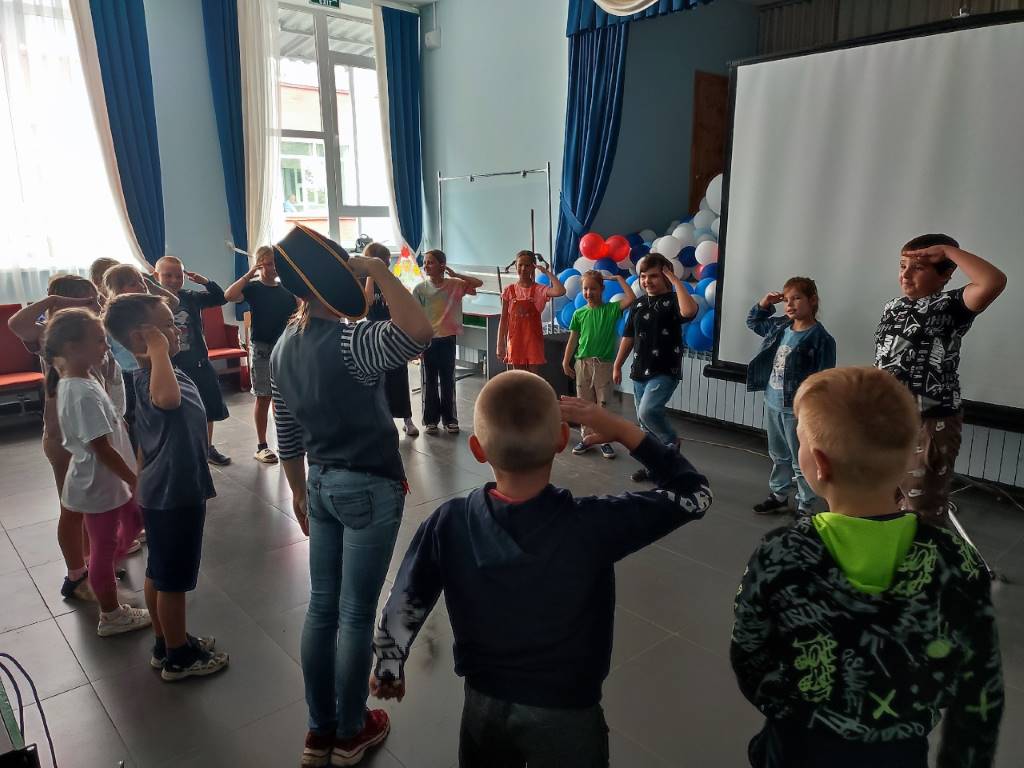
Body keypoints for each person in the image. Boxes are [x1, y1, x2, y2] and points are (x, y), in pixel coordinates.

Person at [370, 371, 712, 768]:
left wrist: (389, 664)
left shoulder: (449, 522)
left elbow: (407, 595)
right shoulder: (596, 524)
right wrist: (621, 429)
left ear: (478, 449)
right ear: (563, 440)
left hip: (484, 706)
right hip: (568, 713)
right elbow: (695, 493)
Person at [731, 366, 1003, 768]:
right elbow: (973, 668)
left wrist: (788, 707)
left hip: (797, 743)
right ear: (908, 456)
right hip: (901, 749)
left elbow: (749, 652)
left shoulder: (780, 553)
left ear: (819, 464)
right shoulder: (955, 558)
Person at [268, 225, 432, 767]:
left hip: (319, 482)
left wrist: (298, 493)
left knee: (322, 609)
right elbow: (419, 332)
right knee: (356, 613)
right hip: (368, 484)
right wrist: (380, 270)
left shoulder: (283, 347)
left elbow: (287, 432)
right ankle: (352, 728)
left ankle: (319, 731)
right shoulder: (351, 341)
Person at [104, 293, 228, 681]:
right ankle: (179, 657)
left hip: (161, 490)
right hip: (175, 494)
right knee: (173, 579)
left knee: (159, 570)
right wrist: (157, 349)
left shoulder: (160, 373)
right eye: (168, 326)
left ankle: (165, 641)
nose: (177, 330)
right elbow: (169, 400)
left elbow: (146, 438)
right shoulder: (153, 379)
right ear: (142, 338)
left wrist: (140, 485)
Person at [7, 275, 127, 601]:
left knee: (92, 506)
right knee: (72, 509)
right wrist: (55, 302)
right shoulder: (53, 334)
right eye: (88, 299)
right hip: (64, 437)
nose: (95, 304)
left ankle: (93, 562)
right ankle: (76, 573)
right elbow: (16, 323)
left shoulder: (90, 334)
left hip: (90, 430)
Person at [875, 235, 1007, 527]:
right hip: (888, 419)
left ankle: (924, 554)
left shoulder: (950, 305)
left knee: (921, 508)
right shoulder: (893, 306)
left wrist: (947, 251)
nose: (905, 274)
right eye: (902, 266)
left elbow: (993, 282)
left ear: (945, 275)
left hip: (930, 421)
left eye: (918, 268)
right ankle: (890, 550)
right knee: (884, 500)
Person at [43, 308, 150, 636]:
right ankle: (111, 614)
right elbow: (101, 448)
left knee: (133, 521)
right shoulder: (81, 390)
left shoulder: (79, 380)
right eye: (99, 341)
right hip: (100, 483)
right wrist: (134, 479)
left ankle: (108, 568)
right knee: (103, 551)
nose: (106, 346)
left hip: (105, 481)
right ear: (73, 347)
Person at [746, 277, 836, 518]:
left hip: (797, 408)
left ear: (813, 300)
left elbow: (824, 379)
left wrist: (815, 410)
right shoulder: (780, 326)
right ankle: (779, 494)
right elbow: (753, 322)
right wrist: (765, 303)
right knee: (778, 454)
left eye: (796, 298)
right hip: (773, 401)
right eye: (786, 300)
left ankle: (806, 505)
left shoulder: (820, 338)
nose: (789, 304)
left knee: (801, 458)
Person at [611, 253, 698, 482]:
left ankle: (671, 442)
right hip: (640, 370)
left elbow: (689, 311)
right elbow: (628, 336)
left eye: (653, 276)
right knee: (644, 427)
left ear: (666, 277)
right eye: (643, 276)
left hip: (664, 370)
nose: (647, 281)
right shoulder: (638, 304)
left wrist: (675, 280)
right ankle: (654, 468)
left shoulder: (674, 300)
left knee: (647, 412)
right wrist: (617, 364)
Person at [154, 255, 232, 466]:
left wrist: (205, 282)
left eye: (178, 276)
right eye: (168, 275)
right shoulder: (152, 302)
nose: (174, 280)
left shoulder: (190, 297)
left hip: (199, 363)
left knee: (208, 408)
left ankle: (207, 447)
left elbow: (221, 298)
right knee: (176, 412)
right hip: (172, 368)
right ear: (156, 275)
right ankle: (181, 451)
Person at [224, 246, 297, 463]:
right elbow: (229, 295)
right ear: (260, 264)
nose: (274, 267)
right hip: (262, 349)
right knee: (264, 397)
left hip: (284, 348)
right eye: (269, 263)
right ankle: (262, 446)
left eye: (277, 263)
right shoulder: (254, 288)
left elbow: (302, 308)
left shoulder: (287, 289)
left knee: (283, 398)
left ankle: (285, 440)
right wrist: (249, 274)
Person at [103, 264, 180, 451]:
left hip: (155, 366)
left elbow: (173, 301)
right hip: (131, 374)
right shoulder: (115, 319)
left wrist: (151, 285)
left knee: (162, 415)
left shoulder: (148, 309)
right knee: (138, 416)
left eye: (141, 281)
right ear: (118, 289)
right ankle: (142, 450)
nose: (141, 285)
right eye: (133, 283)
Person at [561, 270, 634, 459]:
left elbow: (631, 298)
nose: (589, 292)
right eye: (585, 289)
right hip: (582, 363)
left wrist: (619, 279)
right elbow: (573, 339)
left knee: (603, 403)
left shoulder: (611, 310)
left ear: (602, 289)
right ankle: (587, 438)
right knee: (584, 403)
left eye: (593, 288)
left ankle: (604, 439)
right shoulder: (579, 313)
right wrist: (566, 361)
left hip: (604, 365)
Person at [412, 249, 483, 435]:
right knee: (429, 381)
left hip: (448, 339)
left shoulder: (455, 284)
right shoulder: (420, 289)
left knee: (447, 380)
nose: (426, 266)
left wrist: (456, 274)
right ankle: (430, 420)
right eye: (425, 262)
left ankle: (450, 419)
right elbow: (415, 317)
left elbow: (478, 283)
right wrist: (417, 342)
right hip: (428, 340)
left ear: (442, 265)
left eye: (431, 262)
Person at [362, 242, 418, 437]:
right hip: (373, 336)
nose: (387, 264)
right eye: (384, 261)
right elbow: (368, 302)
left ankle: (407, 419)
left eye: (387, 261)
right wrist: (371, 275)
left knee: (399, 377)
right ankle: (383, 421)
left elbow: (400, 305)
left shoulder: (392, 279)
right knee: (378, 379)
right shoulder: (363, 280)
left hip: (393, 333)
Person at [498, 251, 566, 373]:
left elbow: (560, 291)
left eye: (527, 265)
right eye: (520, 265)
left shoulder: (539, 289)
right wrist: (500, 344)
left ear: (533, 267)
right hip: (515, 341)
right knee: (517, 376)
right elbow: (503, 319)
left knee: (533, 377)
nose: (523, 268)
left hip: (533, 341)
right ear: (516, 266)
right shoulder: (509, 290)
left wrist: (546, 272)